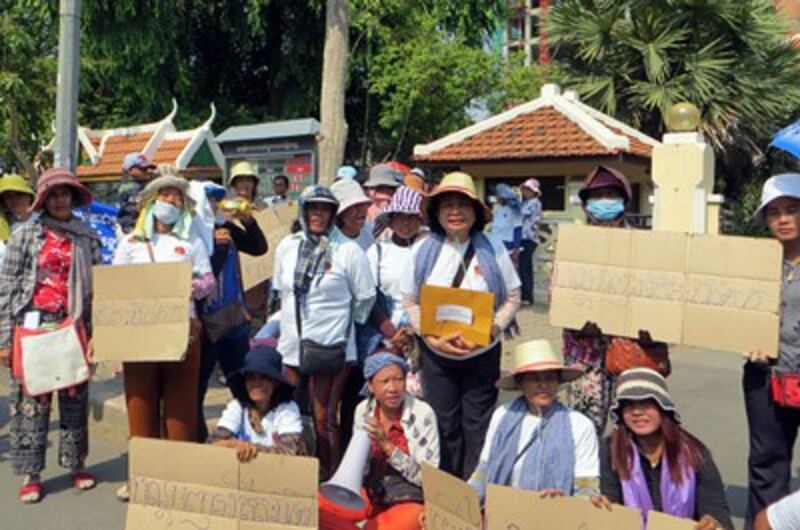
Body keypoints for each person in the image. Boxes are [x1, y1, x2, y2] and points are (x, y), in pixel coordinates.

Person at [402, 171, 521, 479]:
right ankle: (447, 490)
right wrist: (430, 338)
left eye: (462, 204)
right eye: (447, 205)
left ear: (476, 212)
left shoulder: (493, 248)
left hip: (482, 356)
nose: (455, 212)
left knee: (478, 425)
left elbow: (512, 297)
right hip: (436, 357)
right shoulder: (422, 251)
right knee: (443, 425)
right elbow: (410, 301)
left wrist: (491, 330)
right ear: (436, 213)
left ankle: (474, 490)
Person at [112, 168, 215, 499]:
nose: (171, 201)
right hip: (139, 336)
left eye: (176, 196)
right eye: (165, 195)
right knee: (140, 407)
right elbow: (114, 290)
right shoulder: (130, 243)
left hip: (182, 334)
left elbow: (209, 282)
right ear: (151, 201)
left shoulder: (191, 241)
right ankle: (142, 476)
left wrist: (194, 285)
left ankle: (178, 477)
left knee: (180, 408)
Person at [0, 168, 100, 503]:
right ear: (44, 199)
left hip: (74, 325)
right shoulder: (25, 235)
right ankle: (32, 473)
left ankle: (77, 464)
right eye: (54, 194)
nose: (60, 200)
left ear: (73, 198)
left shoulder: (86, 235)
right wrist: (3, 339)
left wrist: (98, 333)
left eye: (65, 194)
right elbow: (7, 288)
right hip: (32, 326)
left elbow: (97, 289)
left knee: (74, 399)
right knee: (32, 404)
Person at [271, 185, 376, 479]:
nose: (318, 214)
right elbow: (282, 292)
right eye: (313, 208)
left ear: (333, 214)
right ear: (303, 211)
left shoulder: (348, 250)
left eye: (325, 209)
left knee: (324, 418)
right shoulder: (288, 246)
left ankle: (330, 478)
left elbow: (365, 298)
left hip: (333, 348)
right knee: (288, 413)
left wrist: (338, 323)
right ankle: (291, 474)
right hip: (293, 346)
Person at [562, 165, 669, 435]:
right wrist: (574, 319)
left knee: (636, 429)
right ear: (586, 205)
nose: (604, 202)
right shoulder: (573, 245)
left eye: (611, 194)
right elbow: (560, 293)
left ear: (624, 201)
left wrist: (653, 325)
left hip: (633, 351)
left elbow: (661, 294)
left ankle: (630, 477)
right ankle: (587, 478)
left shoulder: (646, 246)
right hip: (584, 356)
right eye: (597, 196)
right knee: (584, 430)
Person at [594, 368, 733, 530]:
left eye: (646, 403)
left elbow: (717, 511)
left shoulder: (695, 452)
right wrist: (603, 507)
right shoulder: (609, 450)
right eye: (629, 405)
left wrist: (713, 522)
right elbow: (610, 502)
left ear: (663, 408)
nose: (637, 412)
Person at [319, 352, 439, 530]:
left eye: (398, 379)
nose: (393, 388)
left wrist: (388, 447)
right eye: (385, 381)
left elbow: (429, 478)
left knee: (379, 527)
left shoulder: (422, 413)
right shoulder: (363, 410)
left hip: (407, 497)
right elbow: (359, 470)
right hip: (371, 493)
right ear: (370, 385)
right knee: (318, 507)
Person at [469, 340, 598, 502]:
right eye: (534, 379)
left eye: (550, 378)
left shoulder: (579, 425)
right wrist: (465, 499)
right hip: (504, 512)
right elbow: (484, 469)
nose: (543, 385)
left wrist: (565, 501)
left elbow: (587, 487)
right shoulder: (502, 415)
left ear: (558, 383)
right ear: (521, 384)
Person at [742, 173, 800, 528]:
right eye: (774, 212)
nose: (782, 219)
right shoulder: (753, 262)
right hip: (763, 375)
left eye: (792, 209)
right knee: (767, 462)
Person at [197, 182, 268, 441]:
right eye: (209, 200)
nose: (214, 205)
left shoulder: (224, 229)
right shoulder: (191, 235)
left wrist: (248, 221)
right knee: (197, 390)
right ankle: (198, 443)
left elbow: (259, 248)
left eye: (217, 200)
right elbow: (204, 279)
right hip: (206, 326)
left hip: (235, 322)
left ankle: (252, 438)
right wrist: (219, 251)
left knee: (242, 385)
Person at [210, 346, 306, 460]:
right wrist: (234, 445)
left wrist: (250, 449)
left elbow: (290, 452)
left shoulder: (287, 409)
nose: (256, 383)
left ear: (275, 382)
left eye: (264, 377)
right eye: (251, 377)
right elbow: (213, 444)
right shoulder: (237, 406)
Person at [0, 173, 36, 263]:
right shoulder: (4, 225)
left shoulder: (43, 220)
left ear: (29, 197)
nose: (14, 200)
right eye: (8, 196)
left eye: (19, 194)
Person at [331, 179, 375, 251]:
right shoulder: (331, 243)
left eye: (362, 204)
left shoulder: (370, 231)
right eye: (354, 206)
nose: (360, 210)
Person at [117, 152, 156, 233]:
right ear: (130, 170)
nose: (146, 171)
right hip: (131, 227)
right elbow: (137, 208)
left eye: (147, 169)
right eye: (143, 169)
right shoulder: (129, 187)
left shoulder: (143, 184)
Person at [519, 178, 541, 305]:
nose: (525, 192)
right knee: (524, 267)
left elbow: (522, 214)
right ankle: (525, 296)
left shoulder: (534, 203)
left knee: (524, 268)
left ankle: (526, 297)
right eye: (525, 189)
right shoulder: (525, 202)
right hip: (523, 238)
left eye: (528, 190)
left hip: (529, 238)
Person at [489, 183, 522, 258]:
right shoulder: (498, 209)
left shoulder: (514, 210)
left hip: (507, 245)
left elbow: (518, 228)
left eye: (497, 195)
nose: (496, 197)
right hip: (495, 243)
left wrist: (516, 247)